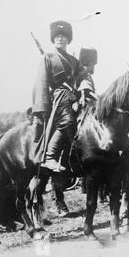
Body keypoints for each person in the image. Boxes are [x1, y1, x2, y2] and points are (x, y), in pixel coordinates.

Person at [32, 20, 90, 172]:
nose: (59, 38)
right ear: (53, 38)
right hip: (59, 97)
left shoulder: (73, 60)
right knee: (68, 121)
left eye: (63, 36)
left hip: (73, 96)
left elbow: (84, 76)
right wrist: (41, 108)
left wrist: (84, 90)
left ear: (68, 39)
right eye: (57, 35)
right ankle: (50, 156)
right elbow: (41, 82)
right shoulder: (48, 57)